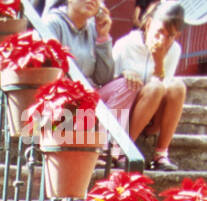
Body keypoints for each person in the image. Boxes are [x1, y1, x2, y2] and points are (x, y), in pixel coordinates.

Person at [44, 0, 156, 156]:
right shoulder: (52, 23)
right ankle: (83, 145)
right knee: (85, 97)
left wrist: (102, 36)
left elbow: (104, 77)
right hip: (62, 99)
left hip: (88, 96)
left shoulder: (92, 27)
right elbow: (49, 71)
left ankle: (106, 148)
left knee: (128, 85)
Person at [113, 1, 186, 168]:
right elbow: (108, 84)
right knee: (155, 87)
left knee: (177, 87)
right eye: (160, 32)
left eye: (170, 36)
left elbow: (165, 89)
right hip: (125, 115)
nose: (163, 40)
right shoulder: (125, 45)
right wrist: (123, 75)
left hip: (153, 118)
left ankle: (161, 154)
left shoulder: (174, 49)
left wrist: (158, 63)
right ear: (148, 24)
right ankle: (124, 149)